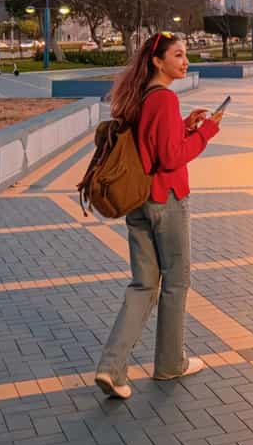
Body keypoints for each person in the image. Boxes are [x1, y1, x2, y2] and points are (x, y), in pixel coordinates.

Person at [94, 30, 221, 399]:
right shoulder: (163, 98)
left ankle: (111, 367)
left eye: (186, 55)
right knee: (176, 283)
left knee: (143, 285)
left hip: (138, 202)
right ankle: (169, 364)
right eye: (178, 55)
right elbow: (170, 158)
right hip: (166, 200)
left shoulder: (140, 96)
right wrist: (207, 132)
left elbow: (152, 143)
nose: (185, 62)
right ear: (157, 60)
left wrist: (185, 127)